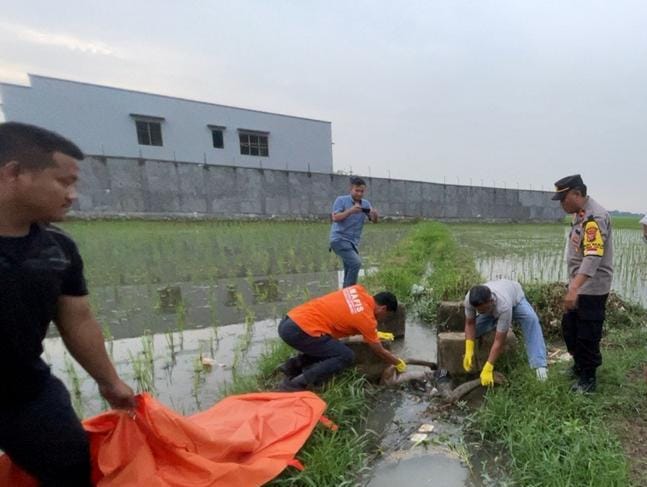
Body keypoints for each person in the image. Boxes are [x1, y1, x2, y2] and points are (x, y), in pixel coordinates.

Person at [0, 122, 135, 485]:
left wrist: (110, 382)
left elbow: (78, 320)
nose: (72, 194)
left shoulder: (58, 249)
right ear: (15, 174)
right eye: (63, 181)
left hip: (23, 391)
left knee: (72, 467)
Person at [277, 284, 406, 391]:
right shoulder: (367, 319)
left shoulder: (357, 290)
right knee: (345, 355)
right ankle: (296, 384)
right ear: (383, 309)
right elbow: (380, 351)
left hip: (290, 321)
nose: (384, 319)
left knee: (329, 345)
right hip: (300, 332)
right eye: (386, 316)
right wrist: (398, 362)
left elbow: (348, 315)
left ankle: (291, 366)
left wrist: (372, 333)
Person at [552, 174, 613, 393]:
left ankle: (589, 379)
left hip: (592, 288)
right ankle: (579, 366)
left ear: (577, 193)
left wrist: (575, 287)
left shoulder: (593, 218)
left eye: (563, 198)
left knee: (588, 333)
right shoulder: (580, 214)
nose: (561, 204)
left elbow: (593, 256)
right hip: (579, 285)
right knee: (570, 329)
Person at [462, 280, 548, 386]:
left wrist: (489, 367)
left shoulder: (504, 306)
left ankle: (539, 366)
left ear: (490, 301)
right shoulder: (469, 300)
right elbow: (470, 324)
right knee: (475, 331)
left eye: (483, 310)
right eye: (478, 310)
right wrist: (469, 350)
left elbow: (499, 341)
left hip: (514, 298)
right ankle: (498, 322)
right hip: (493, 308)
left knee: (531, 319)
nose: (480, 312)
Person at [329, 176, 378, 288]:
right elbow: (335, 217)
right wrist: (350, 211)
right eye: (357, 190)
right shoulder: (341, 200)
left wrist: (374, 215)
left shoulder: (365, 204)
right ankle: (349, 294)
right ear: (351, 189)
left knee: (349, 268)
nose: (359, 193)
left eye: (362, 191)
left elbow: (374, 221)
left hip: (352, 243)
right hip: (339, 239)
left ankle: (345, 294)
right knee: (356, 263)